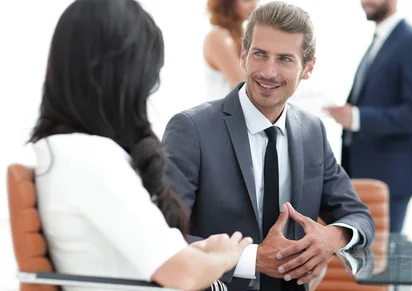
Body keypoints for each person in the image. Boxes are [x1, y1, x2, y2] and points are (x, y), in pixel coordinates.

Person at [28, 0, 251, 290]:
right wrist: (226, 257)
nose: (148, 90)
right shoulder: (90, 158)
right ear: (121, 77)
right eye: (147, 77)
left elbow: (150, 253)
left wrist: (206, 251)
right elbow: (184, 274)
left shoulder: (68, 152)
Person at [162, 2, 376, 291]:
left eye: (285, 59)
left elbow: (359, 217)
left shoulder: (312, 131)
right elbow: (162, 236)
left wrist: (330, 238)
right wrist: (252, 259)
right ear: (243, 55)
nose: (269, 72)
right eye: (260, 55)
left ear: (308, 67)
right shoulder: (191, 129)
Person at [326, 0, 412, 234]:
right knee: (364, 258)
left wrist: (357, 118)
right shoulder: (379, 41)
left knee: (381, 261)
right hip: (362, 171)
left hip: (390, 175)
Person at [203, 0, 259, 101]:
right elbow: (244, 85)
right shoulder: (217, 37)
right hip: (221, 114)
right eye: (247, 0)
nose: (254, 5)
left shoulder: (243, 35)